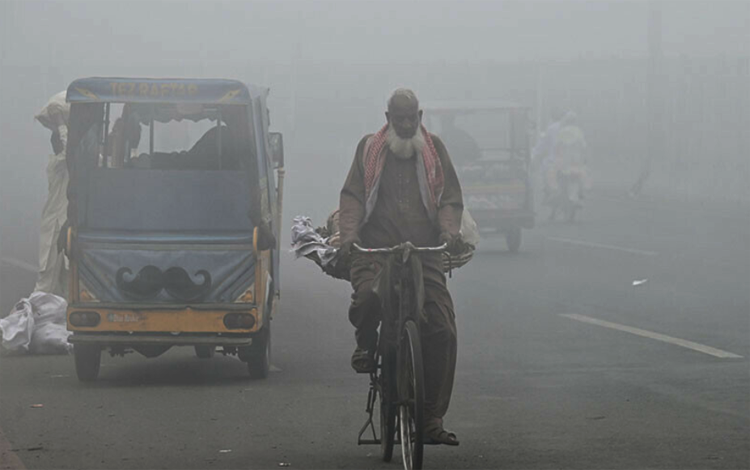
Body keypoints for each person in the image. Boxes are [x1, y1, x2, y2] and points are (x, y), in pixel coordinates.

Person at [339, 88, 463, 446]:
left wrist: (449, 230)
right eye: (399, 119)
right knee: (367, 297)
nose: (406, 125)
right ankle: (365, 343)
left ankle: (430, 419)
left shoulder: (434, 150)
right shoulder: (369, 149)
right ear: (387, 118)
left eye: (412, 118)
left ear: (420, 117)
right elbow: (352, 198)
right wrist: (348, 235)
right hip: (376, 250)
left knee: (441, 328)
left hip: (424, 252)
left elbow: (449, 199)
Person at [33, 91, 70, 297]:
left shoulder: (71, 166)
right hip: (55, 227)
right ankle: (20, 322)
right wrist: (60, 121)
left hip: (66, 227)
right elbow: (68, 150)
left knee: (69, 284)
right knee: (45, 283)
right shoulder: (56, 164)